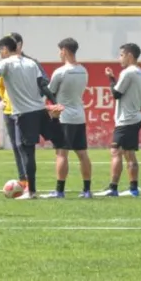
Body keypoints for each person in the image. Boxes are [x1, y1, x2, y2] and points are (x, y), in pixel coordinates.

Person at [0, 35, 58, 200]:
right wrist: (55, 101)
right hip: (39, 111)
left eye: (0, 51)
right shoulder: (31, 63)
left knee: (27, 151)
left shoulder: (7, 63)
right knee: (43, 147)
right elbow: (43, 85)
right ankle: (37, 189)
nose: (1, 55)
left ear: (5, 49)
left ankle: (31, 191)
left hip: (25, 114)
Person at [100, 43, 141, 197]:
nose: (119, 59)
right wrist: (138, 109)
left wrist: (111, 78)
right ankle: (133, 189)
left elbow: (116, 94)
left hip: (126, 120)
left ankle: (113, 188)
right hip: (134, 118)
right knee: (129, 153)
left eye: (121, 55)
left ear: (129, 55)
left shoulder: (128, 73)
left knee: (116, 152)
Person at [45, 38, 92, 199]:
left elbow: (50, 92)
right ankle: (87, 190)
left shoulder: (60, 72)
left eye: (60, 51)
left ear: (64, 50)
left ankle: (59, 191)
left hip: (64, 117)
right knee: (82, 154)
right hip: (79, 115)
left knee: (61, 153)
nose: (59, 54)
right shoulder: (83, 70)